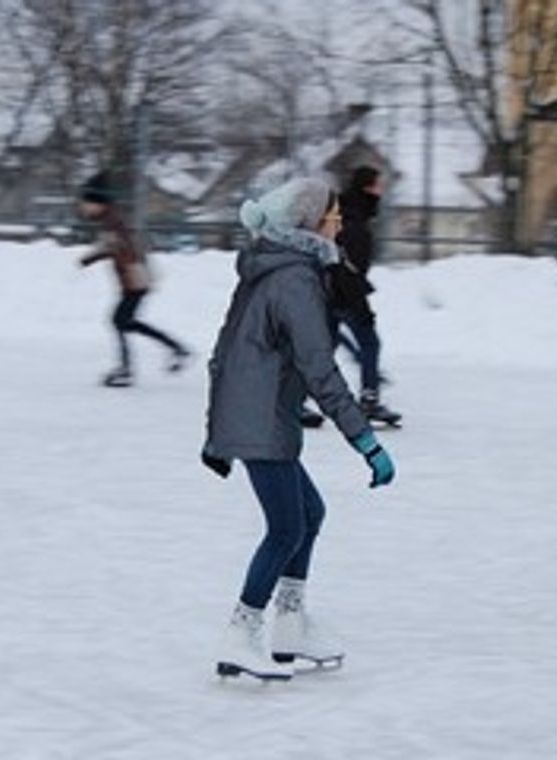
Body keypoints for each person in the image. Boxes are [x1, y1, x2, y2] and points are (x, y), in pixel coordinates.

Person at [202, 177, 396, 680]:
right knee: (286, 527)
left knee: (309, 512)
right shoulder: (295, 280)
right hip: (259, 415)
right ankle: (241, 632)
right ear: (312, 224)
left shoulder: (282, 270)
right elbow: (320, 369)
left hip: (260, 411)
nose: (340, 223)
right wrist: (365, 440)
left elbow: (228, 351)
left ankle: (289, 624)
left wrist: (219, 422)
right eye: (334, 216)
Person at [76, 171, 191, 387]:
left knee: (120, 321)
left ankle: (129, 369)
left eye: (86, 203)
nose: (83, 207)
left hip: (135, 280)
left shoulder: (113, 222)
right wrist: (93, 258)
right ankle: (174, 349)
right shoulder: (110, 220)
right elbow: (113, 247)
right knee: (125, 322)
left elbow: (123, 246)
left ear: (97, 203)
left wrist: (97, 258)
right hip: (135, 280)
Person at [328, 165, 401, 425]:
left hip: (332, 291)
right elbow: (349, 267)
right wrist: (359, 305)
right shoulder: (355, 219)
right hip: (344, 294)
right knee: (369, 343)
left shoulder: (344, 211)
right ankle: (369, 400)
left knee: (325, 348)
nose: (381, 190)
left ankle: (292, 401)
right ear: (367, 187)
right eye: (378, 185)